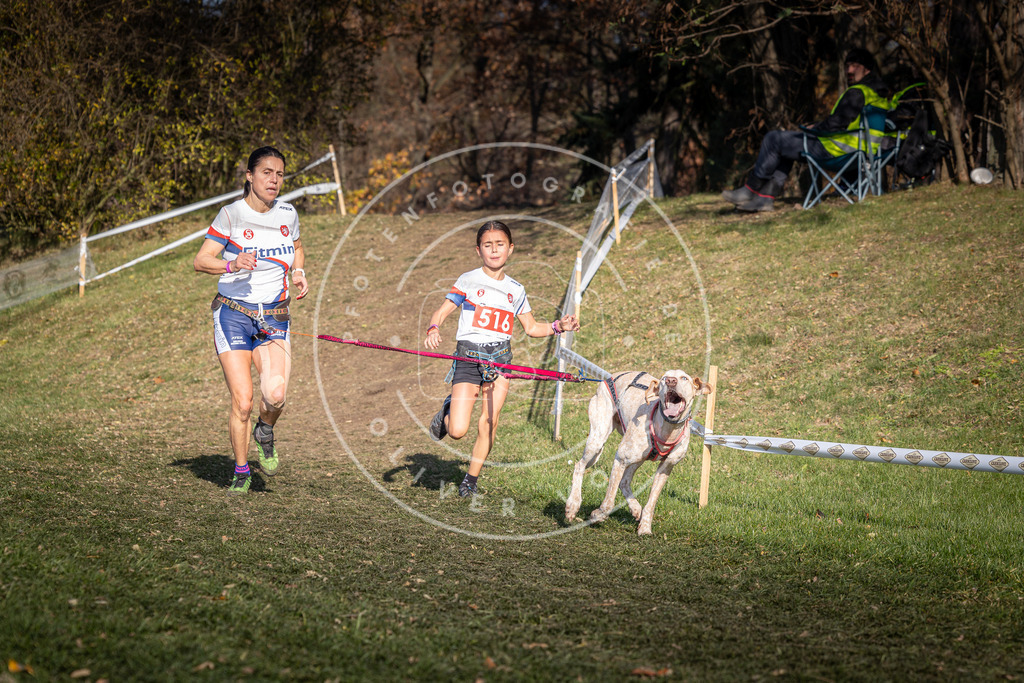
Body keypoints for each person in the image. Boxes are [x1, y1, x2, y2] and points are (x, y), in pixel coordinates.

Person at [423, 220, 580, 498]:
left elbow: (531, 329)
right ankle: (446, 413)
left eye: (500, 245)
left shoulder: (515, 290)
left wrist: (559, 326)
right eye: (487, 245)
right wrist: (433, 328)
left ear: (510, 249)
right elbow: (440, 313)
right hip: (469, 357)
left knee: (489, 421)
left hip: (501, 360)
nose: (494, 250)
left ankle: (470, 480)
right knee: (458, 430)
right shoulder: (468, 280)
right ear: (478, 250)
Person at [193, 146, 310, 495]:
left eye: (279, 174)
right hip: (234, 314)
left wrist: (299, 271)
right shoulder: (231, 215)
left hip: (274, 316)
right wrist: (232, 264)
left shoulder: (288, 214)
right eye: (266, 173)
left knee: (275, 396)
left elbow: (297, 247)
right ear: (249, 176)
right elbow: (201, 260)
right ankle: (241, 470)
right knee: (242, 400)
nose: (274, 180)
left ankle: (265, 430)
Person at [722, 47, 890, 212]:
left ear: (867, 69)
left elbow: (835, 125)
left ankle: (751, 189)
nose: (849, 70)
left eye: (854, 65)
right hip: (860, 155)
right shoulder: (876, 95)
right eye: (847, 66)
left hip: (837, 152)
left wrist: (814, 128)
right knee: (787, 147)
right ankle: (764, 199)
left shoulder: (857, 92)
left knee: (774, 139)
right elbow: (846, 122)